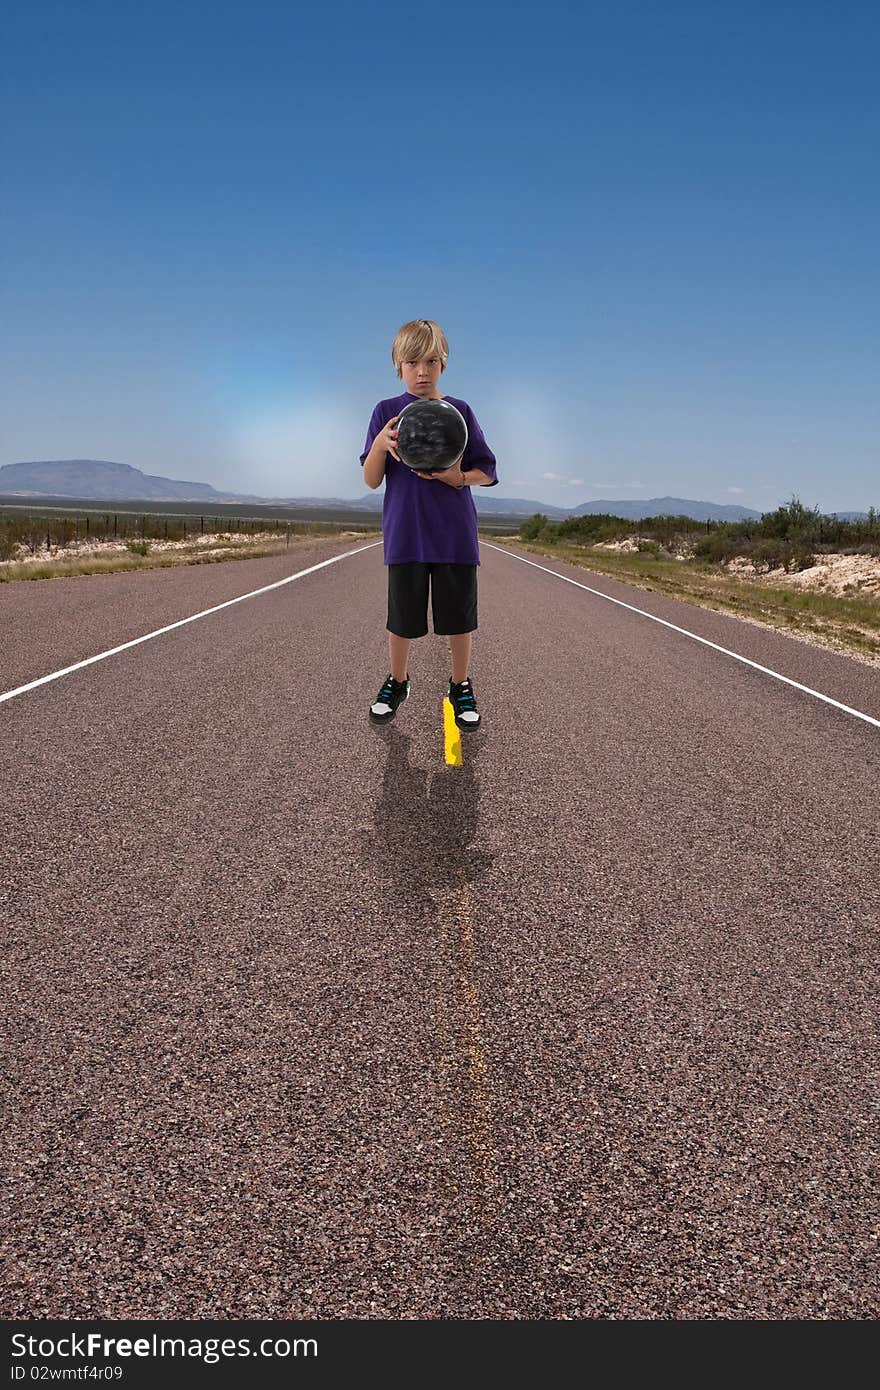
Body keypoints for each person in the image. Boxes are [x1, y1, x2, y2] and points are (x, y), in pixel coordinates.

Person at [360, 318, 499, 731]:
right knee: (402, 619)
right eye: (413, 362)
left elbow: (488, 471)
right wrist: (381, 447)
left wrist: (459, 478)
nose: (422, 371)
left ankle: (460, 685)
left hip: (454, 534)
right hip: (407, 534)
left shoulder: (460, 412)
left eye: (432, 362)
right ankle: (397, 682)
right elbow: (370, 480)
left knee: (459, 619)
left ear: (444, 364)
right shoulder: (386, 413)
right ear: (398, 365)